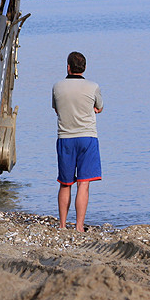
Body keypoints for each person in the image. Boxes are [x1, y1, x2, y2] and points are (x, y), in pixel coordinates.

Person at [52, 51, 103, 232]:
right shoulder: (93, 86)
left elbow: (56, 109)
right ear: (85, 68)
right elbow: (100, 107)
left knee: (65, 183)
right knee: (84, 183)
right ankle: (79, 227)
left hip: (65, 138)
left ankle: (62, 225)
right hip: (87, 137)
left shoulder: (57, 87)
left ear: (68, 67)